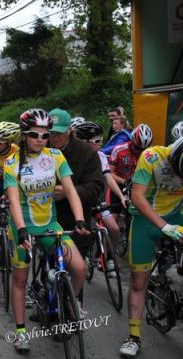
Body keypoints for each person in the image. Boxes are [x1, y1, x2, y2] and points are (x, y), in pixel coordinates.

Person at [4, 109, 89, 354]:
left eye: (45, 135)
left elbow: (70, 190)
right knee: (20, 279)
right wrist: (21, 231)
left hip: (51, 224)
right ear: (23, 136)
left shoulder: (55, 156)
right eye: (34, 135)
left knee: (79, 268)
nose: (40, 139)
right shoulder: (12, 163)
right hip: (23, 226)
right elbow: (12, 201)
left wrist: (80, 219)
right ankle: (21, 333)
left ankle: (69, 305)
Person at [118, 137, 183, 358]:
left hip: (177, 215)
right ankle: (133, 336)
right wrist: (164, 226)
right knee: (139, 281)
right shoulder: (151, 157)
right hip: (146, 220)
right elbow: (136, 196)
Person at [48, 108, 105, 314]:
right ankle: (48, 302)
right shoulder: (39, 147)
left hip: (75, 220)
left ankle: (73, 307)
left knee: (74, 267)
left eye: (59, 133)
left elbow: (98, 186)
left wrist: (69, 192)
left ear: (70, 131)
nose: (54, 138)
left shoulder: (86, 152)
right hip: (46, 218)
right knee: (49, 264)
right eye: (50, 133)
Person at [72, 121, 125, 272]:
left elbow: (108, 178)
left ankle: (109, 258)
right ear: (85, 142)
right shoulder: (75, 157)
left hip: (97, 199)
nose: (101, 144)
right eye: (97, 141)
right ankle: (85, 254)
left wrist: (121, 196)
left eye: (101, 140)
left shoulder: (101, 156)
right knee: (83, 232)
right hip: (80, 201)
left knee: (114, 229)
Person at [109, 124, 153, 221]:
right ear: (132, 142)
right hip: (119, 184)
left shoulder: (151, 153)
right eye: (137, 148)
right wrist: (125, 182)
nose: (140, 152)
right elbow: (110, 173)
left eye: (143, 149)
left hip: (139, 185)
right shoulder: (119, 150)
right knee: (113, 218)